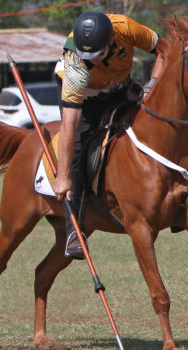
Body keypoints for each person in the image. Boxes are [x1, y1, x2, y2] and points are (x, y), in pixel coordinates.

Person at [53, 10, 162, 259]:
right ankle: (74, 233)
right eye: (87, 56)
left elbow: (164, 48)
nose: (92, 60)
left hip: (118, 87)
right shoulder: (75, 63)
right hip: (87, 98)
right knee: (78, 151)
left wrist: (152, 84)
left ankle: (184, 202)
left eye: (98, 54)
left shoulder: (125, 27)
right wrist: (62, 175)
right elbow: (70, 124)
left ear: (112, 40)